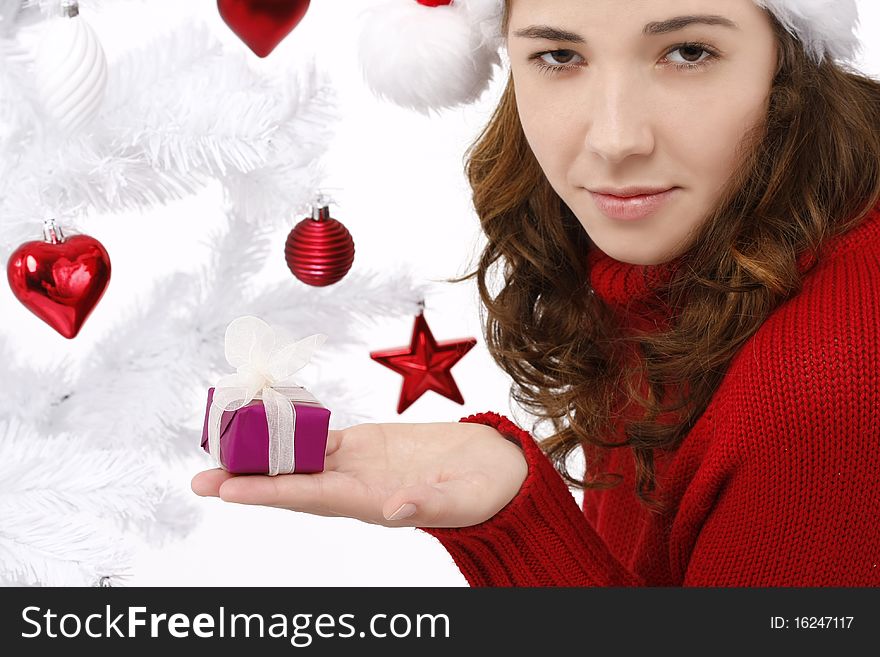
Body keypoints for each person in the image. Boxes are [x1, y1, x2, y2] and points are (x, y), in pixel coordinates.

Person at [192, 0, 880, 586]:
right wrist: (504, 499)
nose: (615, 140)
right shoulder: (686, 259)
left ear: (790, 57)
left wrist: (526, 533)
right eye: (558, 56)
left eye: (689, 52)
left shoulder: (825, 389)